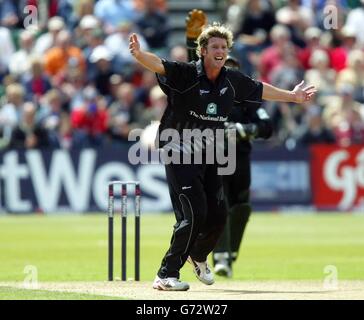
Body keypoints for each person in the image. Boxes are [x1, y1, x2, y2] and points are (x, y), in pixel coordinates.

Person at [129, 21, 316, 291]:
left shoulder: (232, 80)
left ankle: (199, 256)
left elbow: (261, 89)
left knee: (218, 215)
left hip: (210, 153)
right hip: (179, 151)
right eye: (214, 46)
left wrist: (293, 97)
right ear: (203, 50)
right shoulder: (186, 74)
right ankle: (165, 274)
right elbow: (159, 64)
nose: (220, 51)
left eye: (224, 47)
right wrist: (139, 55)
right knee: (193, 213)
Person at [185, 9, 274, 277]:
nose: (229, 71)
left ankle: (230, 254)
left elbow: (266, 127)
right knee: (219, 205)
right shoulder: (209, 89)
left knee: (242, 206)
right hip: (215, 156)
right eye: (227, 66)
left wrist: (241, 129)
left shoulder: (247, 98)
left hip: (241, 157)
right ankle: (221, 256)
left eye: (233, 67)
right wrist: (192, 41)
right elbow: (193, 72)